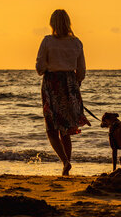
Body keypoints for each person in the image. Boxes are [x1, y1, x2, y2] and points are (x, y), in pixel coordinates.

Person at [36, 9, 90, 176]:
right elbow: (81, 69)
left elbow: (40, 67)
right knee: (65, 129)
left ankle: (65, 162)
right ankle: (66, 166)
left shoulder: (47, 41)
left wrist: (48, 68)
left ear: (52, 23)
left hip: (52, 83)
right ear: (68, 23)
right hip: (70, 84)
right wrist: (76, 83)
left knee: (51, 128)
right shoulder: (76, 42)